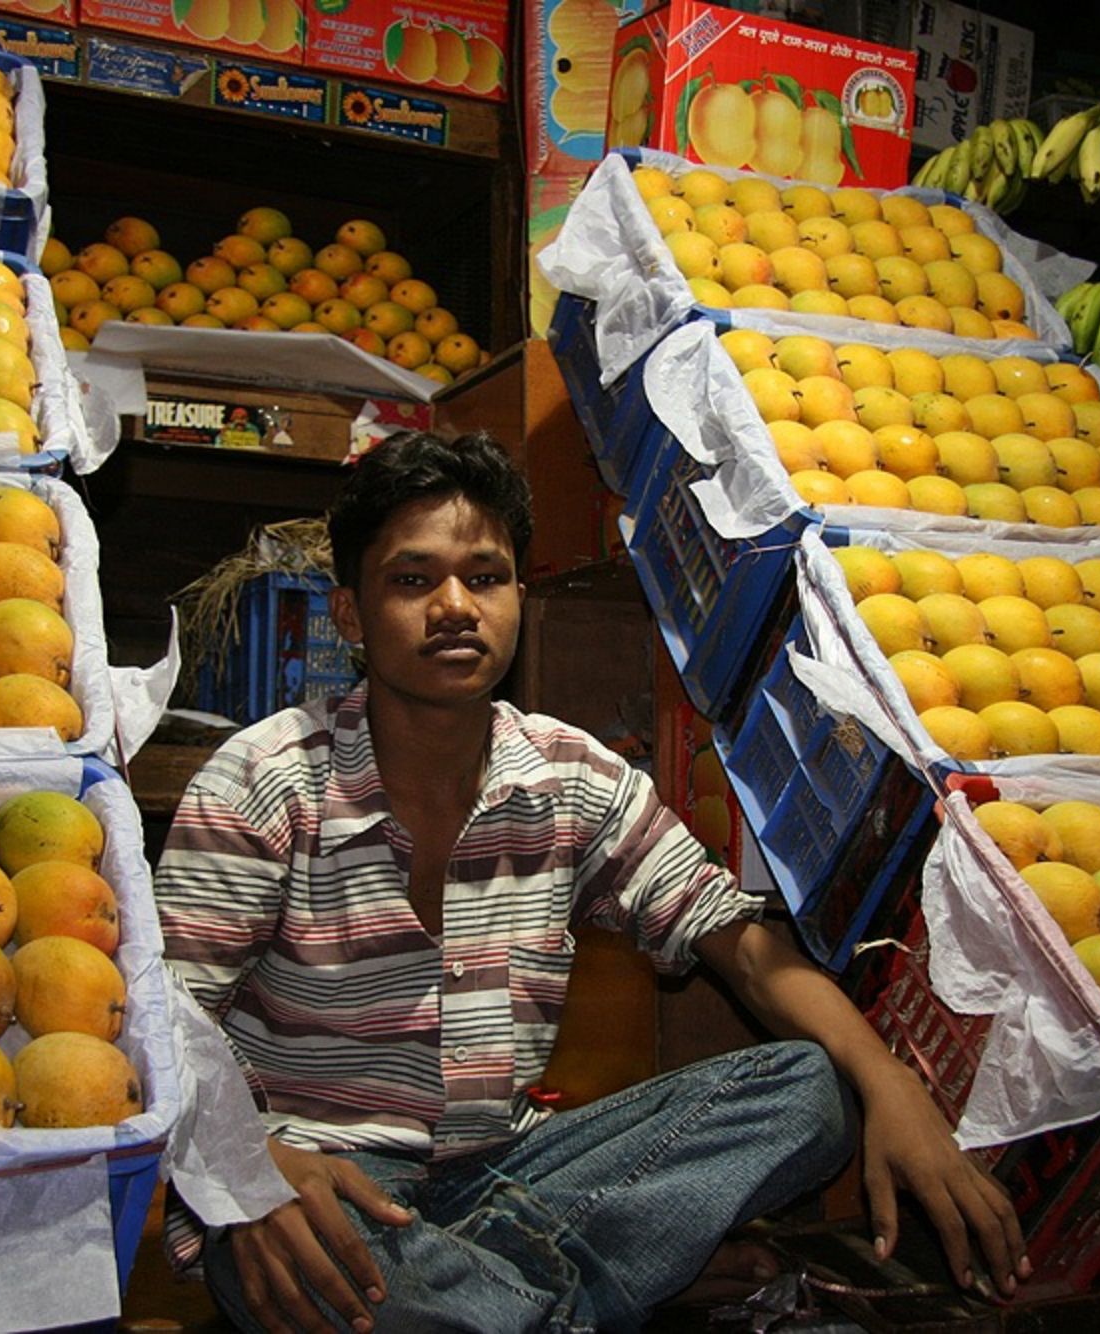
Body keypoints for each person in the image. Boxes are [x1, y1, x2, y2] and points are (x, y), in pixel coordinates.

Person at [154, 431, 1025, 1332]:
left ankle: (508, 1296)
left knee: (811, 1087)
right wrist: (254, 1165)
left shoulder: (572, 777)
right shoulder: (265, 782)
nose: (455, 607)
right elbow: (163, 1025)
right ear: (351, 614)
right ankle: (603, 1284)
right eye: (413, 580)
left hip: (515, 1171)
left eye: (485, 578)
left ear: (517, 598)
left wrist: (891, 1083)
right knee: (294, 1257)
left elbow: (740, 946)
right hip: (326, 1180)